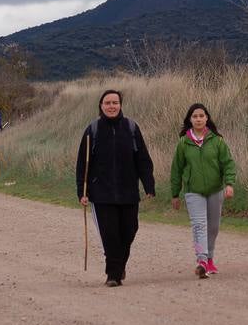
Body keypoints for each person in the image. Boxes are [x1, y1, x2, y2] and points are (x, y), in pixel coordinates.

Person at [76, 89, 155, 287]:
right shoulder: (92, 130)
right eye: (108, 103)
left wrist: (148, 185)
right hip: (101, 194)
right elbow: (82, 165)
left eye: (115, 103)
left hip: (128, 192)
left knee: (129, 231)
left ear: (120, 105)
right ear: (101, 106)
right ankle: (113, 274)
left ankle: (118, 265)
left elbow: (143, 159)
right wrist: (82, 191)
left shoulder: (131, 128)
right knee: (110, 235)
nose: (112, 106)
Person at [170, 103, 236, 278]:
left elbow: (228, 163)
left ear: (207, 118)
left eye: (201, 116)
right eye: (195, 116)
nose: (198, 119)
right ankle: (202, 261)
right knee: (199, 225)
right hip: (193, 191)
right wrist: (175, 194)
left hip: (215, 190)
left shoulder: (217, 141)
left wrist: (229, 184)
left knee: (213, 227)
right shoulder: (183, 143)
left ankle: (210, 258)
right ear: (190, 120)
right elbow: (176, 169)